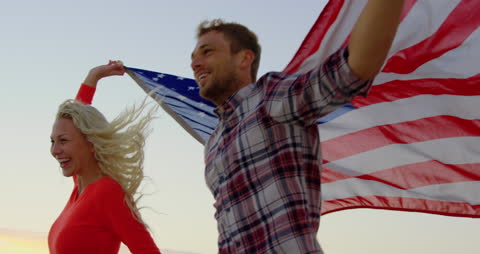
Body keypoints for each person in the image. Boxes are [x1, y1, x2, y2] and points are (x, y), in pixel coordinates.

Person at [189, 1, 405, 253]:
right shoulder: (213, 144)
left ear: (244, 59)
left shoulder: (269, 96)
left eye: (207, 52)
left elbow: (351, 72)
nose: (195, 63)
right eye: (193, 57)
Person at [48, 61, 161, 254]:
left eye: (63, 141)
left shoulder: (107, 192)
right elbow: (79, 115)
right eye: (52, 141)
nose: (54, 150)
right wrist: (93, 76)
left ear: (91, 143)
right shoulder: (80, 186)